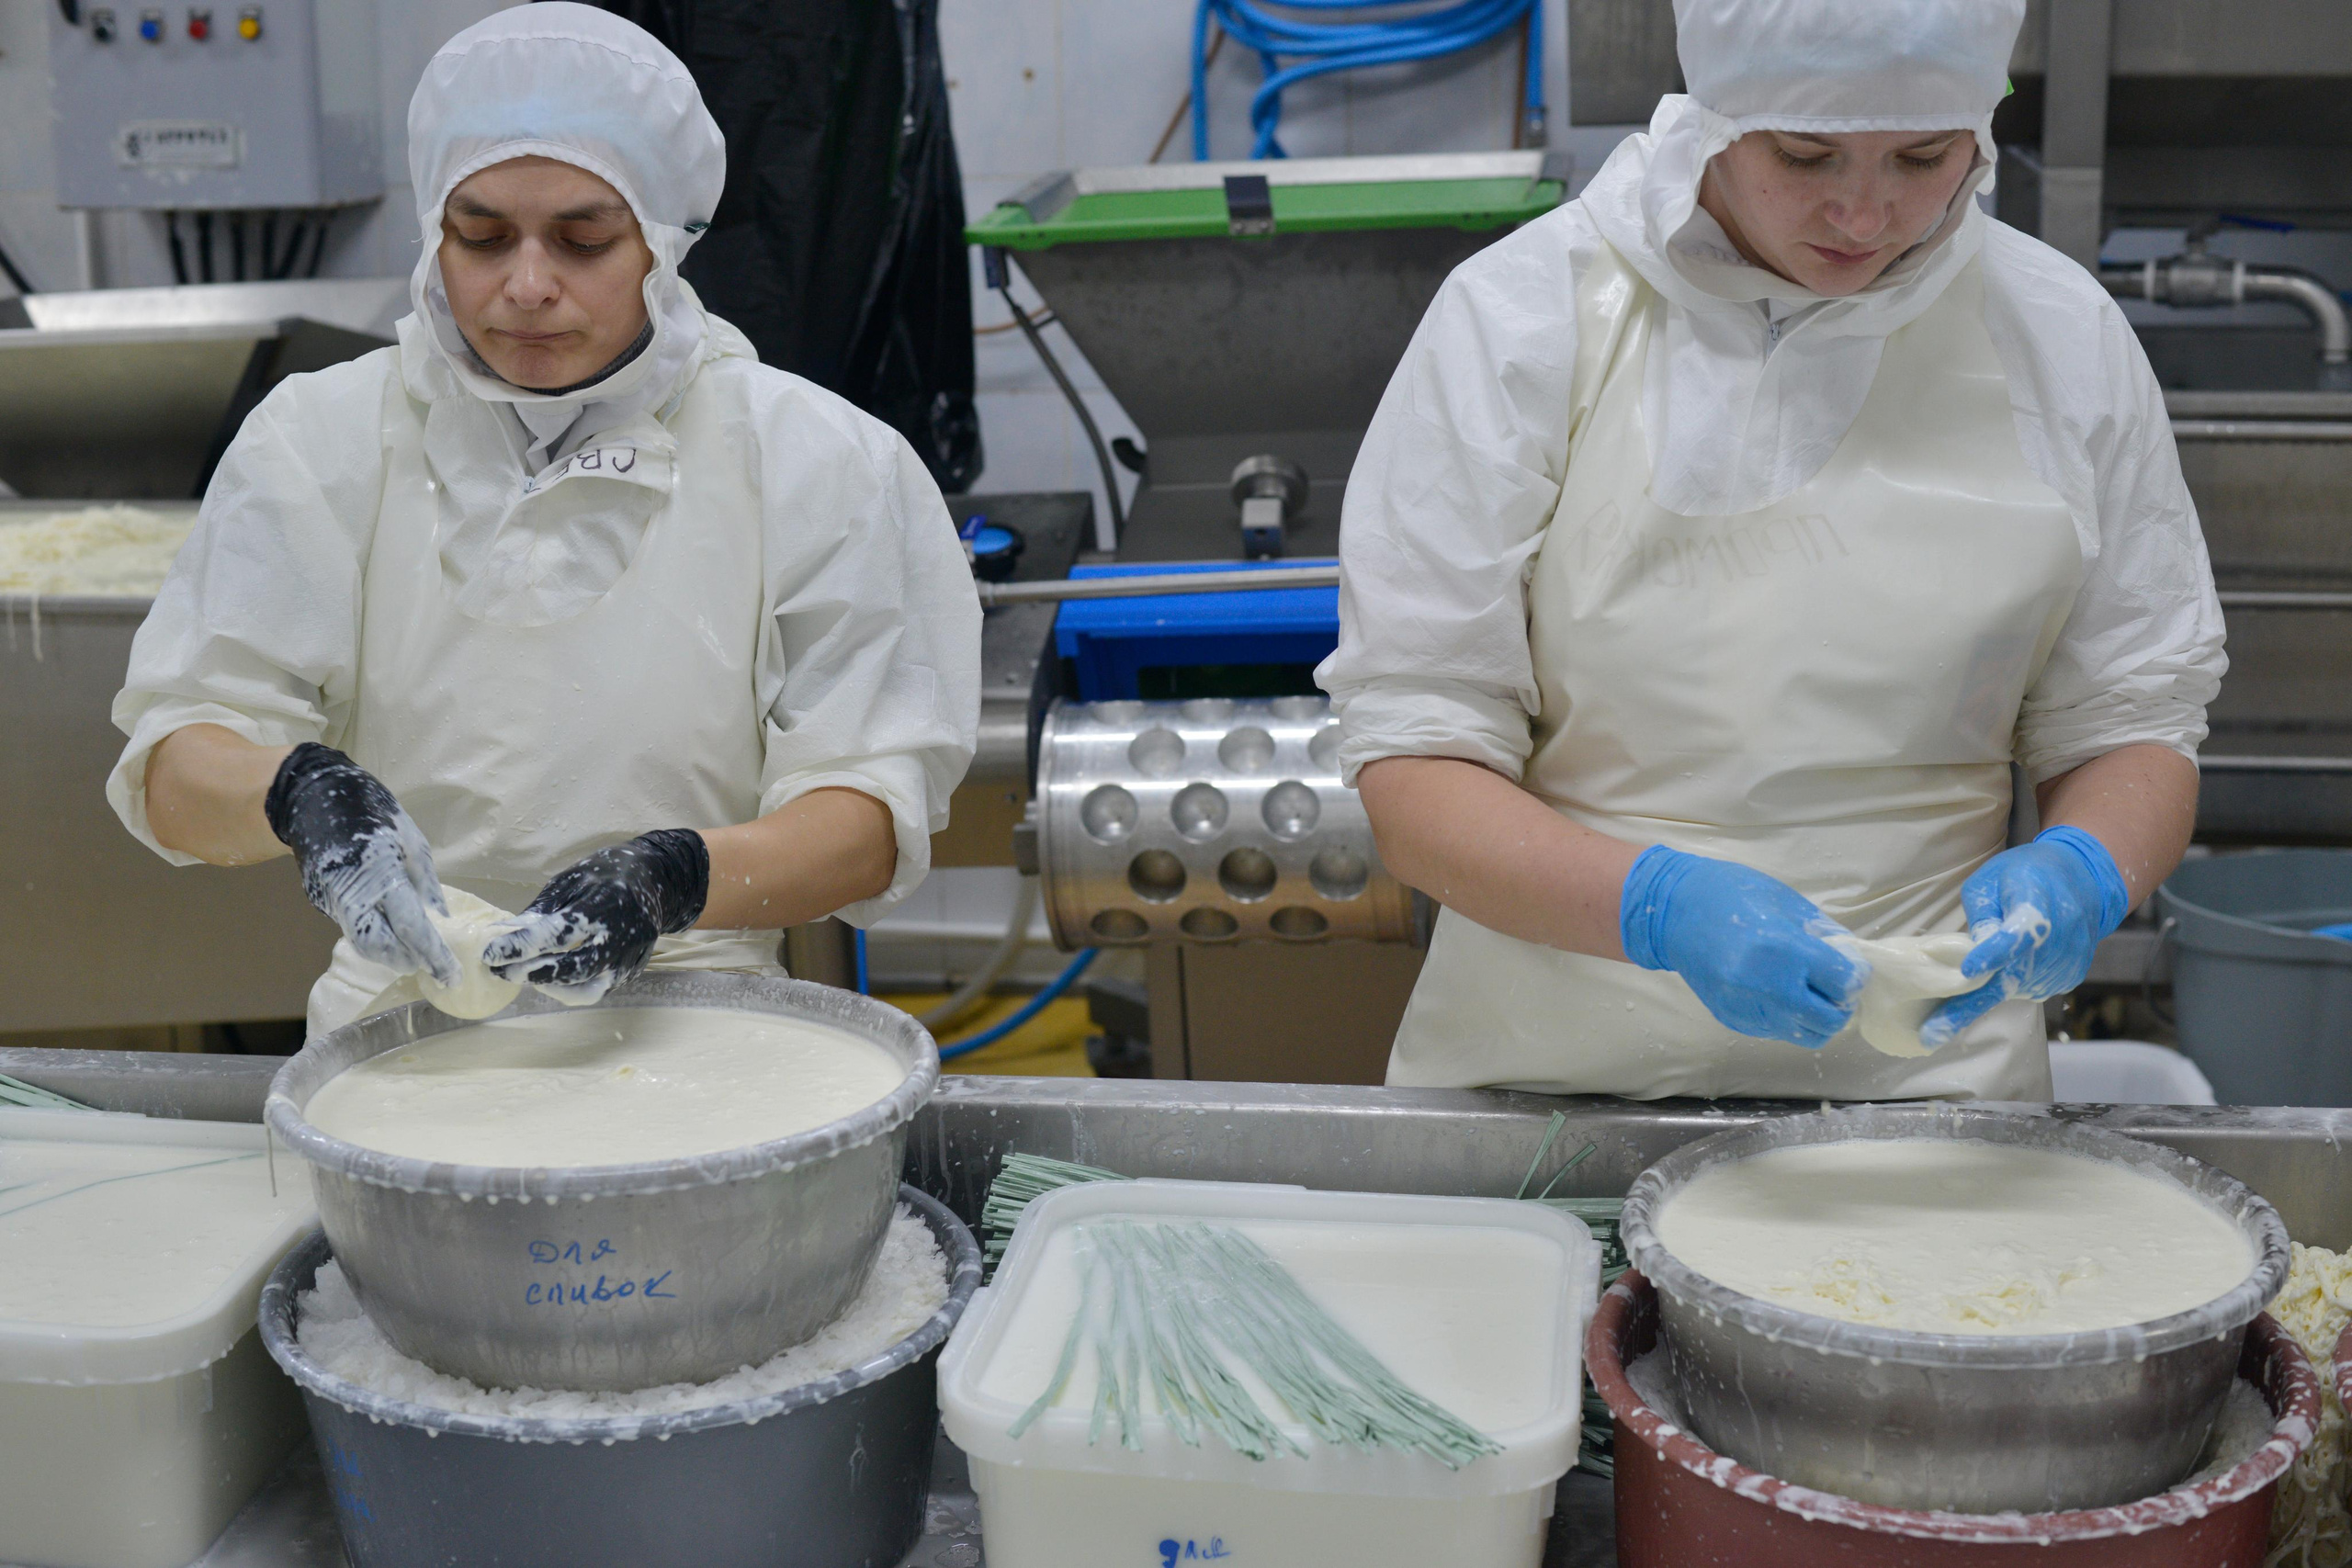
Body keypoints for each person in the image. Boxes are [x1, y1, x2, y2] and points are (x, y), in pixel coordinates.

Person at [1318, 0, 2223, 1100]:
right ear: (1713, 121)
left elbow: (2133, 722)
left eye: (1922, 155)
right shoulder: (1523, 321)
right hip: (1551, 1081)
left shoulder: (2057, 335)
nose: (1864, 208)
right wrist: (1657, 910)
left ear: (1980, 133)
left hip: (1928, 1098)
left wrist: (2083, 865)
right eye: (1805, 154)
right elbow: (1417, 770)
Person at [107, 6, 980, 1033]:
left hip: (705, 1029)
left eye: (584, 239)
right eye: (480, 237)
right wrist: (300, 793)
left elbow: (870, 816)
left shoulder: (812, 458)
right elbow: (175, 769)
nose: (526, 286)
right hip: (398, 1031)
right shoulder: (322, 439)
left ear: (662, 238)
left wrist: (676, 880)